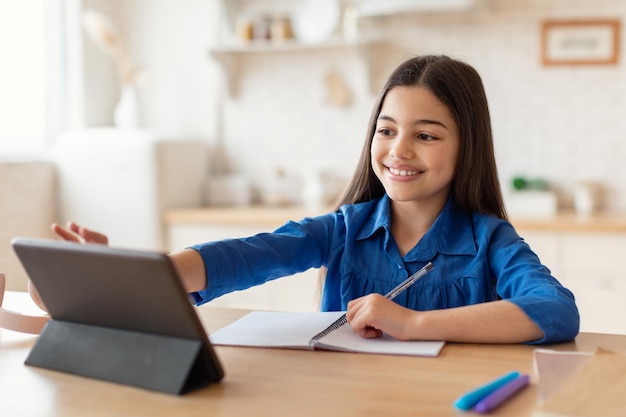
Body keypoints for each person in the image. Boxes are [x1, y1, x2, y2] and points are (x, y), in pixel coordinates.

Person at [31, 54, 579, 344]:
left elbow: (555, 311)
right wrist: (111, 281)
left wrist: (413, 325)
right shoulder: (343, 229)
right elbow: (244, 255)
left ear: (468, 146)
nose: (398, 150)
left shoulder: (490, 240)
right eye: (385, 130)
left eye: (427, 135)